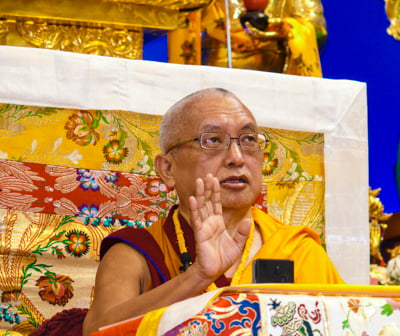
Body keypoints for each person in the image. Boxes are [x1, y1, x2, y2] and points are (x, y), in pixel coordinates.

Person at [82, 87, 344, 336]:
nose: (237, 157)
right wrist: (197, 276)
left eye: (249, 140)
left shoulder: (298, 249)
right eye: (213, 140)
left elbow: (348, 326)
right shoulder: (136, 253)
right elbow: (97, 332)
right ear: (167, 170)